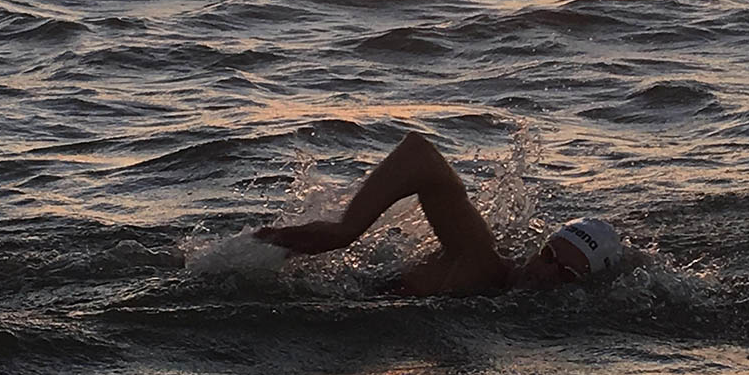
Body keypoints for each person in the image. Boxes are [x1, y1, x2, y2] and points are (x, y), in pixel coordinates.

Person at [255, 131, 622, 295]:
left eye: (566, 275)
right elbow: (420, 155)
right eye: (548, 256)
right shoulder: (479, 258)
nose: (545, 273)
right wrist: (345, 231)